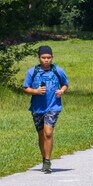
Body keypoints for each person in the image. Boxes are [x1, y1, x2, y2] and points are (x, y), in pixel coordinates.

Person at [23, 45, 69, 173]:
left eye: (49, 57)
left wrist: (61, 91)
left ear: (52, 57)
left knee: (48, 133)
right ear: (39, 58)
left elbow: (65, 84)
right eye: (43, 57)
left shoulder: (57, 70)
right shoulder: (32, 72)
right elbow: (25, 88)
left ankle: (48, 162)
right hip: (37, 108)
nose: (46, 60)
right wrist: (36, 91)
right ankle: (44, 159)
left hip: (53, 106)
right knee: (41, 135)